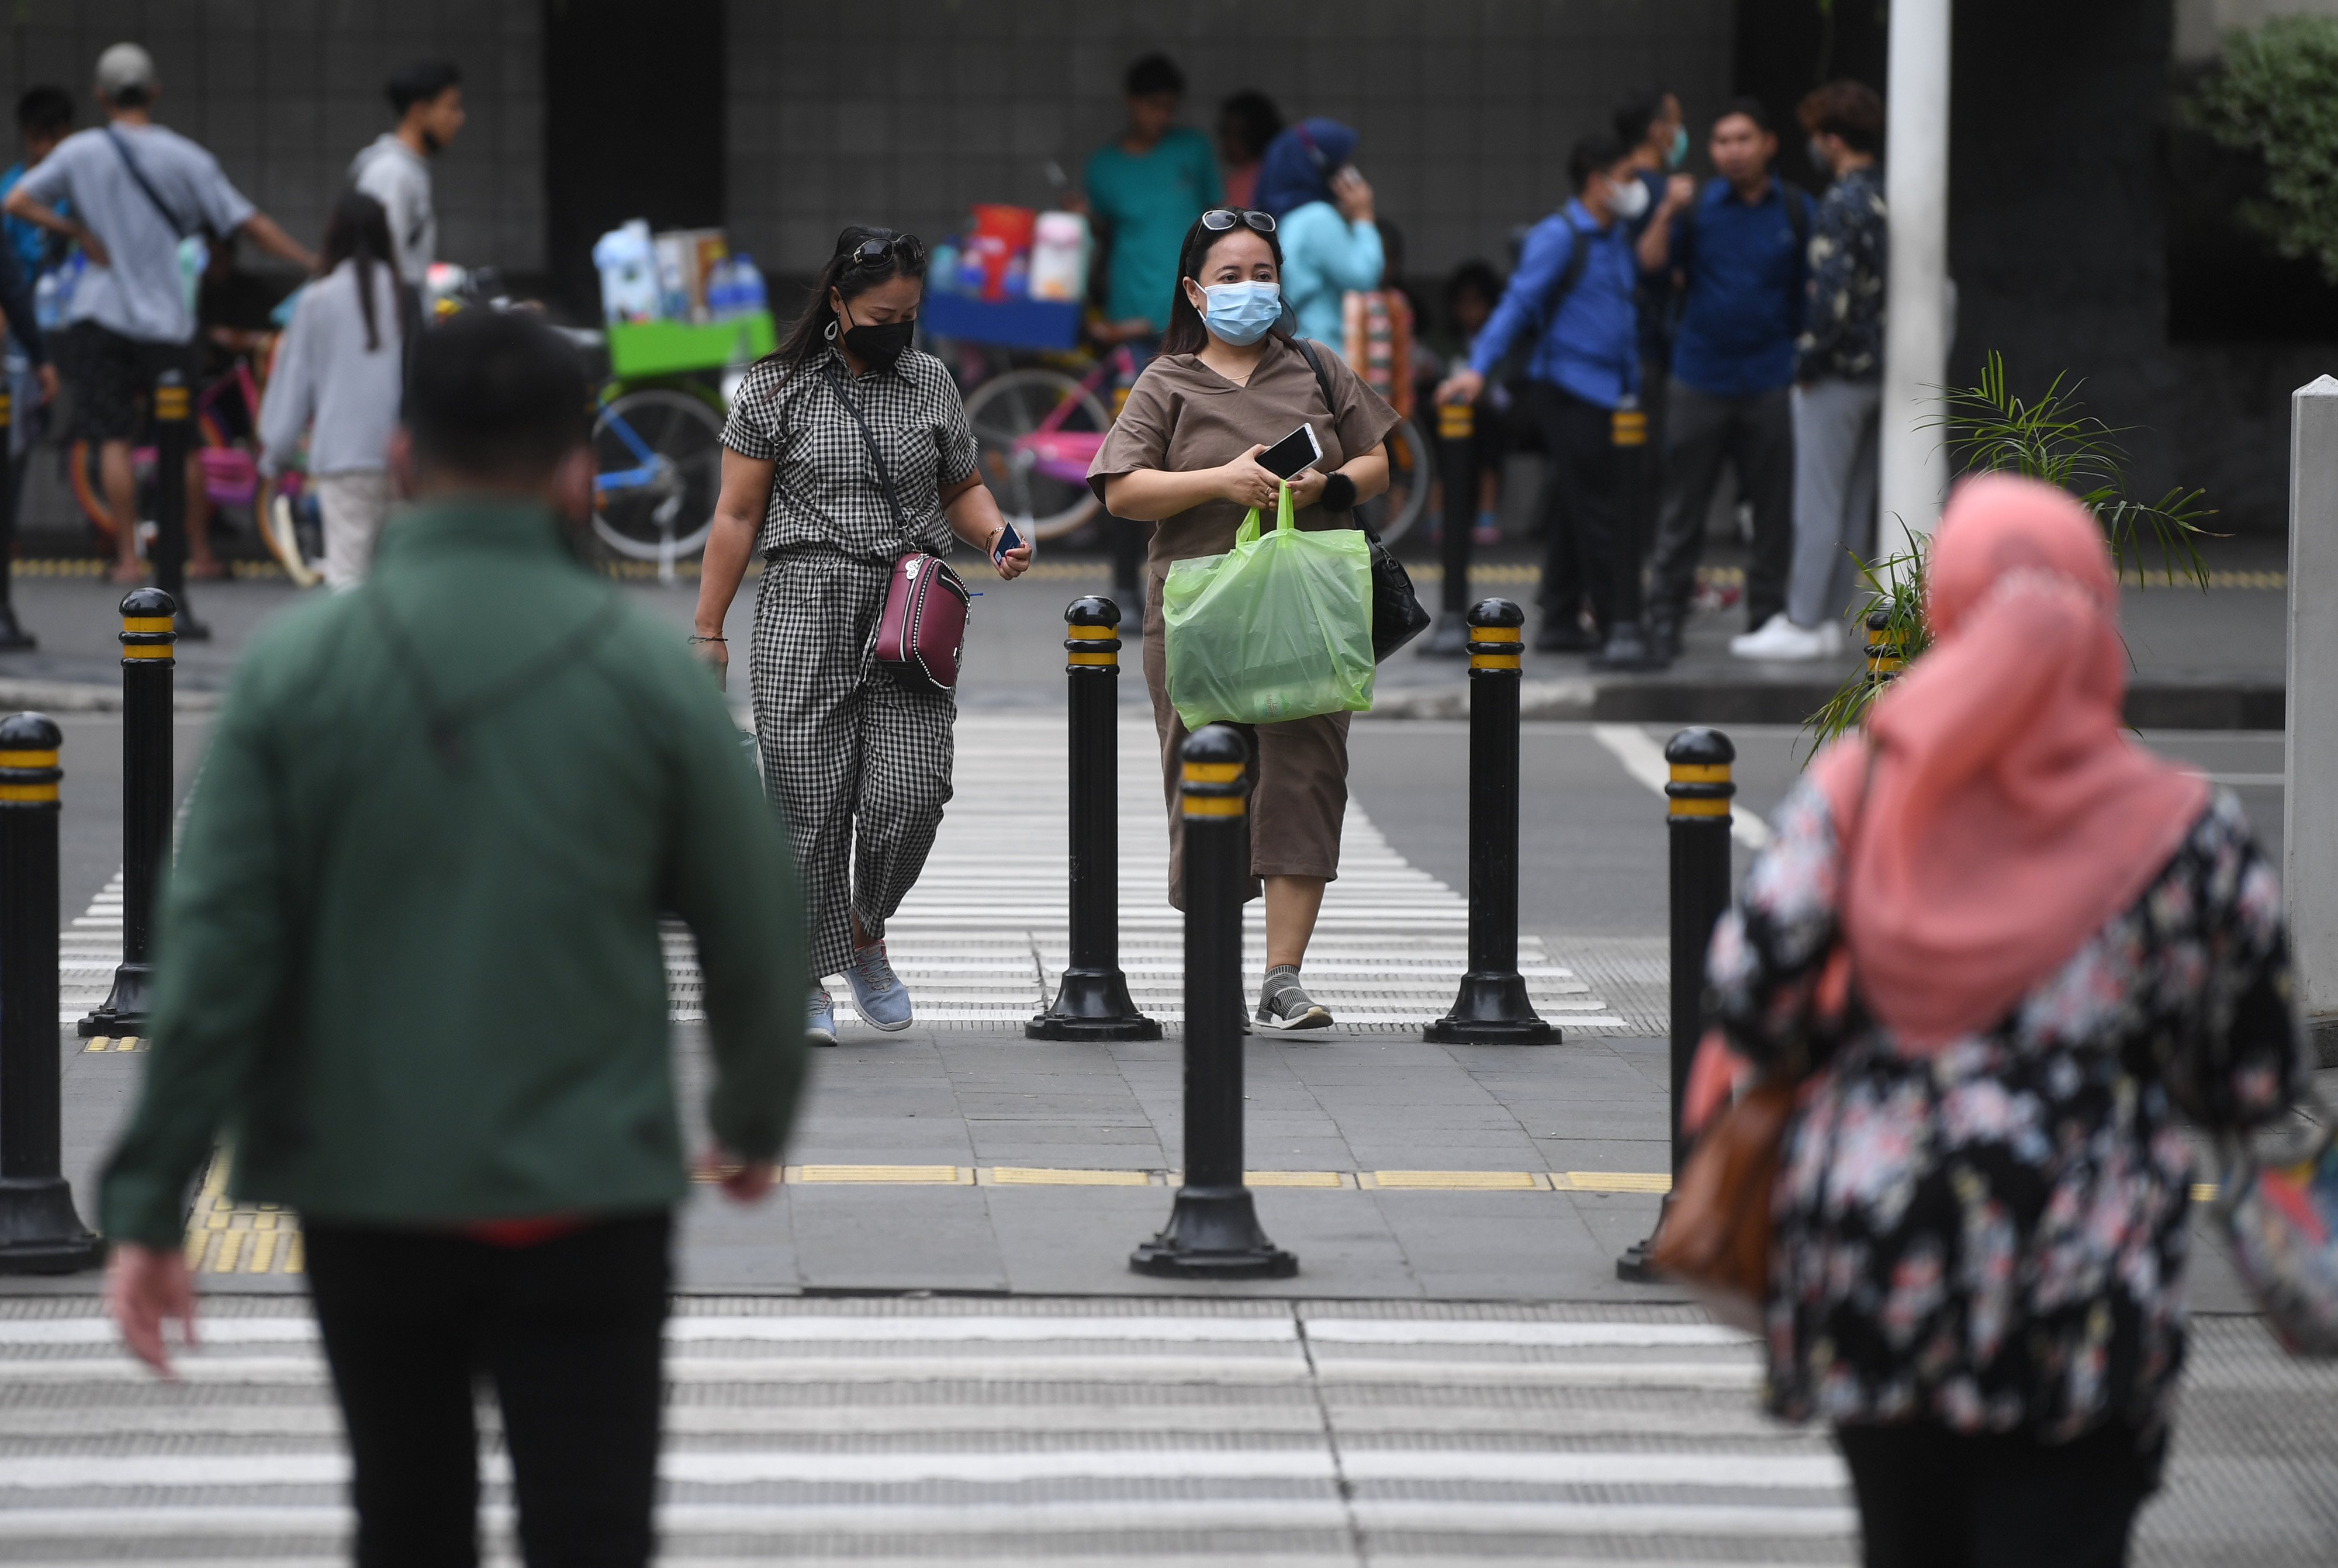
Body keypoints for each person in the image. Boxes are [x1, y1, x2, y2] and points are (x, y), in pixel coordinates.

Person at [100, 308, 808, 1566]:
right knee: (589, 1527)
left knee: (407, 1517)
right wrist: (751, 1119)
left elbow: (213, 957)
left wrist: (152, 1197)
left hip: (368, 1188)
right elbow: (758, 926)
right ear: (579, 469)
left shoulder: (296, 669)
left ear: (404, 452)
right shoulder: (649, 679)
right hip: (589, 1185)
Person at [1692, 473, 2307, 1567]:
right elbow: (2256, 1073)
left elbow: (1751, 993)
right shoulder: (2184, 831)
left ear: (1949, 614)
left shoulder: (1859, 788)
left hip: (1883, 1256)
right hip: (2086, 1273)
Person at [694, 226, 1031, 1045]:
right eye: (884, 312)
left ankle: (862, 931)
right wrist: (709, 628)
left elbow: (963, 485)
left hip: (911, 604)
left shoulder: (931, 383)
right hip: (804, 600)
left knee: (910, 796)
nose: (899, 328)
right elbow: (737, 514)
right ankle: (803, 973)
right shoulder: (777, 390)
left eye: (911, 314)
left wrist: (995, 534)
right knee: (807, 807)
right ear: (839, 303)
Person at [1088, 209, 1396, 1030]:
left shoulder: (1317, 368)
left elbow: (1377, 461)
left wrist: (1324, 487)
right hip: (1203, 617)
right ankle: (1216, 964)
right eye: (1231, 276)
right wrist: (1222, 481)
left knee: (1304, 779)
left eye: (1263, 273)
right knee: (1208, 777)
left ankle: (1283, 977)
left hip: (1307, 611)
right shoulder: (1166, 382)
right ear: (1195, 290)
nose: (1250, 290)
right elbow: (1120, 489)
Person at [3, 43, 315, 584]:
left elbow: (18, 202)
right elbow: (250, 223)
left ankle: (128, 557)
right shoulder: (187, 157)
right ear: (154, 92)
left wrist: (79, 232)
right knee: (184, 437)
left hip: (99, 314)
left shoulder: (81, 153)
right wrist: (313, 260)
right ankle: (199, 552)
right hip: (168, 319)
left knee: (114, 438)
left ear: (100, 96)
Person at [1435, 135, 1645, 653]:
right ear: (1599, 182)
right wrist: (1479, 369)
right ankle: (1619, 624)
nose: (1637, 188)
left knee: (1576, 504)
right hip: (1570, 389)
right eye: (1629, 176)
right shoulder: (1560, 235)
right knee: (1599, 510)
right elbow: (1518, 304)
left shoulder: (1614, 234)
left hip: (1609, 393)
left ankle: (1560, 616)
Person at [1635, 97, 1813, 661]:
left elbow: (1811, 290)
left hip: (1770, 378)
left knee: (1772, 508)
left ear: (1768, 144)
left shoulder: (1795, 209)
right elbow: (1650, 265)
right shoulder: (1697, 208)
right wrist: (1665, 211)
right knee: (1684, 504)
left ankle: (1765, 618)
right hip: (1700, 376)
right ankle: (1664, 618)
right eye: (1721, 142)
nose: (1731, 152)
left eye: (1743, 140)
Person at [1736, 80, 1889, 662]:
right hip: (1883, 373)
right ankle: (1828, 616)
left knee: (1816, 502)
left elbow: (1832, 295)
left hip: (1837, 374)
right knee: (1854, 502)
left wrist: (1808, 359)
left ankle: (1802, 620)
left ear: (1830, 140)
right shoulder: (1889, 194)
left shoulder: (1842, 201)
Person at [257, 192, 408, 587]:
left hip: (344, 458)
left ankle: (356, 650)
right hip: (407, 459)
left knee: (348, 574)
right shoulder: (407, 295)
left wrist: (275, 454)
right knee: (397, 577)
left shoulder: (316, 300)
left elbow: (293, 384)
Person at [1082, 54, 1220, 347]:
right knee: (1134, 390)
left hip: (1191, 299)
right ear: (1130, 102)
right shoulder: (1103, 165)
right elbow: (1101, 236)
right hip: (1131, 300)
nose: (1162, 117)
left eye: (1169, 108)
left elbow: (1218, 218)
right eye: (1154, 107)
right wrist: (1081, 217)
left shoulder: (1193, 149)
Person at [1612, 86, 1694, 485]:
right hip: (1648, 345)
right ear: (1659, 131)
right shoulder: (1665, 194)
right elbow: (1654, 264)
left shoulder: (1611, 187)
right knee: (1645, 459)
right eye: (1676, 122)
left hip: (1612, 343)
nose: (1680, 132)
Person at [1254, 119, 1382, 347]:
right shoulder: (1317, 218)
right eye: (1343, 164)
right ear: (1325, 167)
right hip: (1323, 350)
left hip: (1296, 344)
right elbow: (1364, 278)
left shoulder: (1286, 215)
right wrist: (1364, 218)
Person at [351, 59, 464, 288]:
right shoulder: (392, 172)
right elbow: (379, 264)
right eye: (451, 107)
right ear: (420, 112)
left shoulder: (407, 168)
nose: (459, 118)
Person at [1216, 89, 1284, 212]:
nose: (1227, 141)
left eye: (1236, 134)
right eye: (1225, 132)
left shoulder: (1256, 178)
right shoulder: (1236, 178)